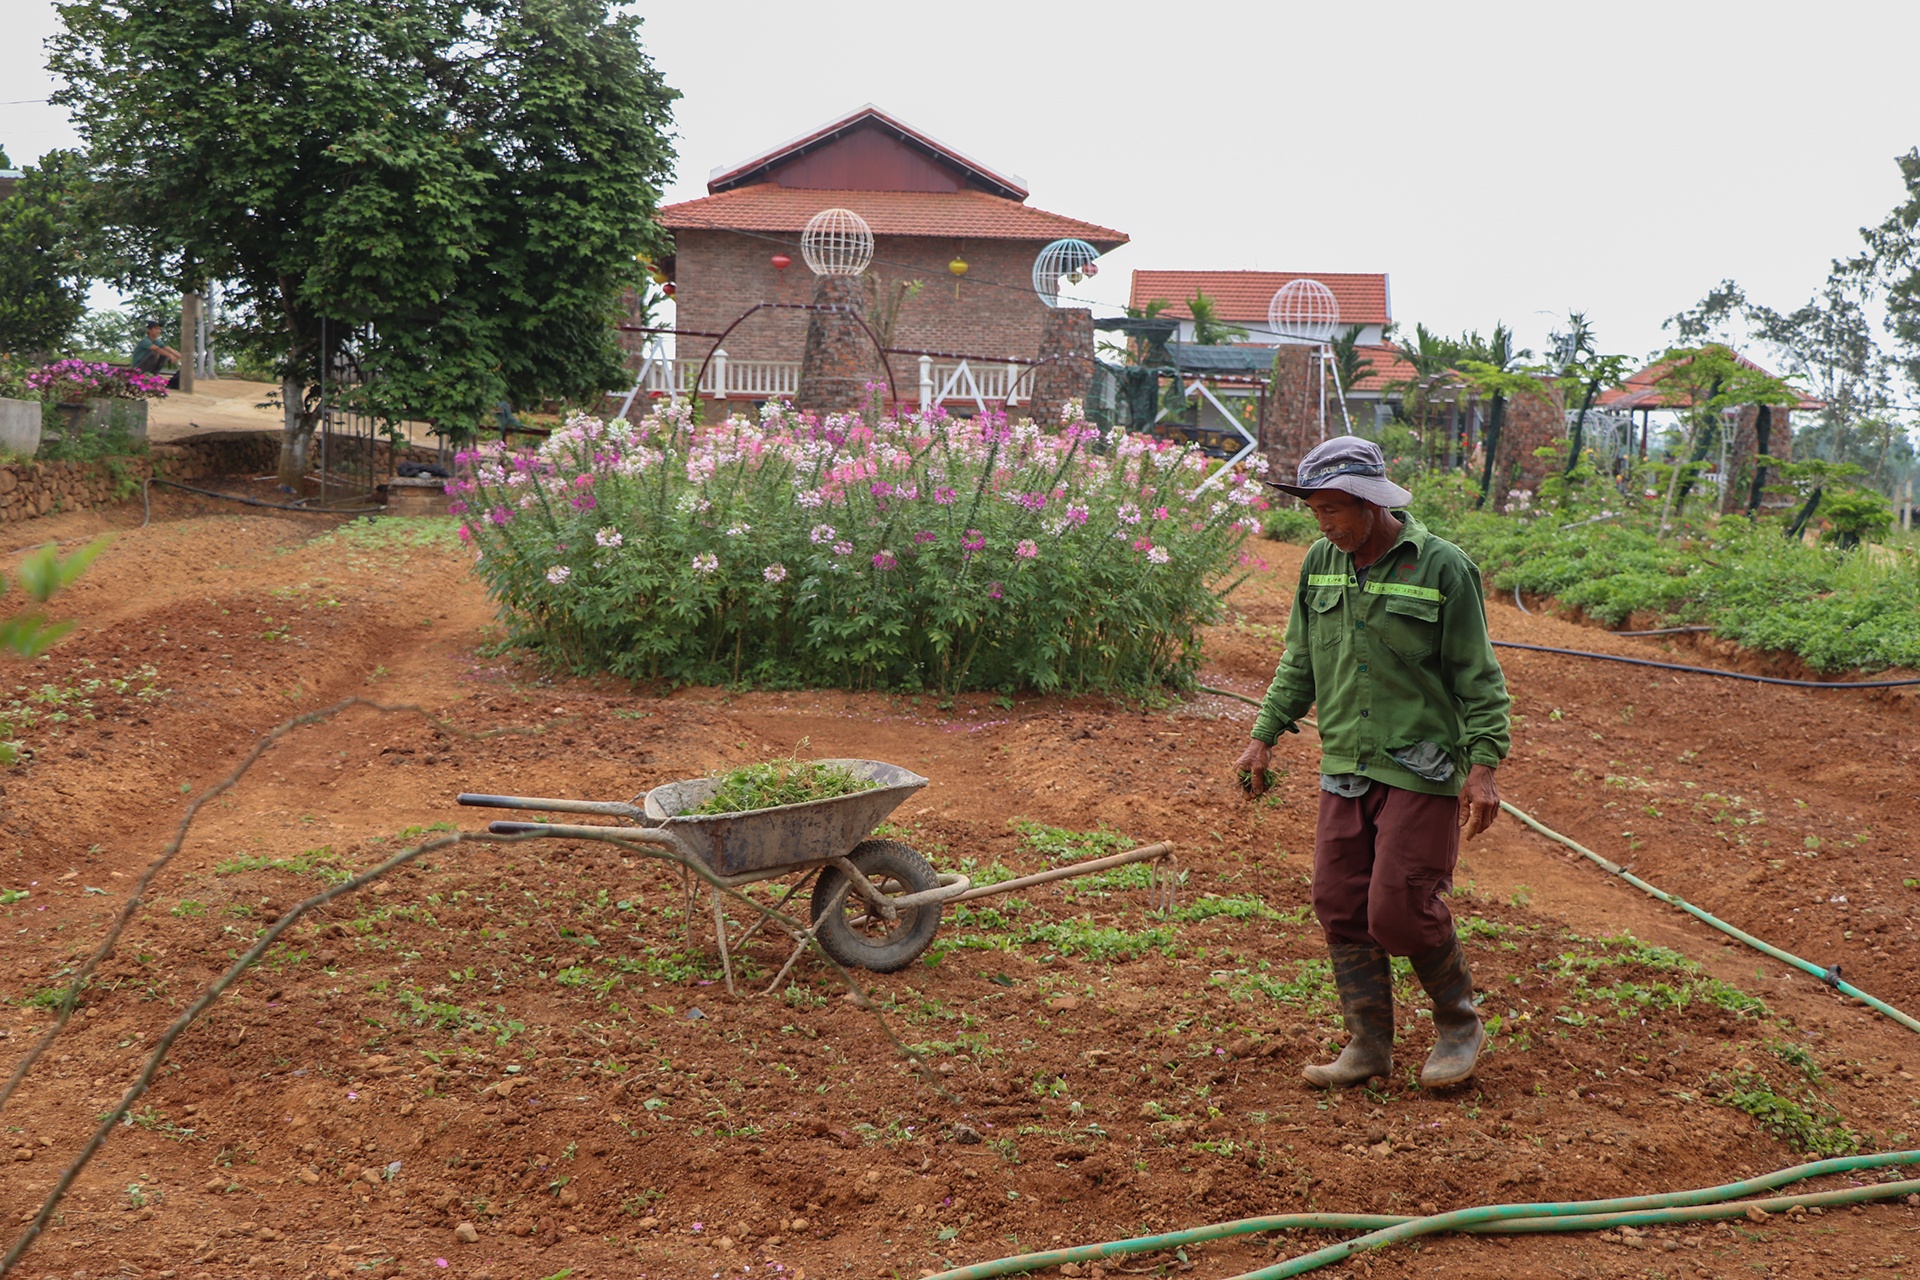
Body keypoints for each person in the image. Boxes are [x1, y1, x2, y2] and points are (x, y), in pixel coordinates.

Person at [1235, 435, 1510, 1089]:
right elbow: (1299, 659)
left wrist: (1484, 766)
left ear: (1369, 502)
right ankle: (1369, 1045)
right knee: (1337, 901)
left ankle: (1457, 1024)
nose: (1325, 525)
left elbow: (1479, 676)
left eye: (1334, 510)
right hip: (1346, 763)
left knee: (1398, 907)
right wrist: (1263, 734)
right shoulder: (1320, 564)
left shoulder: (1443, 568)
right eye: (1316, 513)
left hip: (1419, 767)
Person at [129, 321, 183, 388]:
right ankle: (143, 375)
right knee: (155, 353)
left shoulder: (157, 341)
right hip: (138, 368)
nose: (158, 331)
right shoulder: (145, 341)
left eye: (159, 329)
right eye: (156, 329)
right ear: (149, 330)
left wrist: (182, 357)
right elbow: (156, 349)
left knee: (164, 355)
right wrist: (171, 356)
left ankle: (153, 375)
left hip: (147, 365)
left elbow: (168, 348)